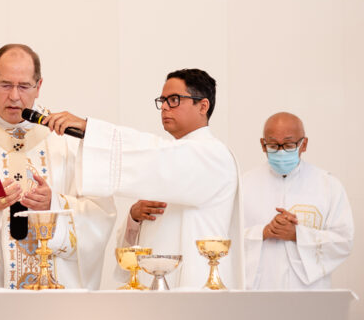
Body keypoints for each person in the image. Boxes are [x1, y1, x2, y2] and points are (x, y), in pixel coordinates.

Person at [0, 44, 115, 290]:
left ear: (39, 86)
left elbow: (101, 216)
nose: (15, 96)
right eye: (5, 85)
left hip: (54, 294)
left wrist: (54, 204)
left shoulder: (68, 143)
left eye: (24, 86)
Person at [44, 68, 244, 289]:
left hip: (195, 283)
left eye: (174, 100)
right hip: (158, 285)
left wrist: (90, 130)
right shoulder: (170, 160)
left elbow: (155, 154)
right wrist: (135, 217)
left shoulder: (213, 155)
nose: (165, 107)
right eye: (163, 100)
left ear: (203, 106)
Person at [243, 112, 354, 290]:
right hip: (260, 289)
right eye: (273, 145)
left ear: (304, 144)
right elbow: (226, 239)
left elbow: (343, 241)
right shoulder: (244, 185)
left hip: (309, 292)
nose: (281, 152)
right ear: (263, 145)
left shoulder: (328, 185)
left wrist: (297, 234)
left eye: (289, 145)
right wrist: (263, 232)